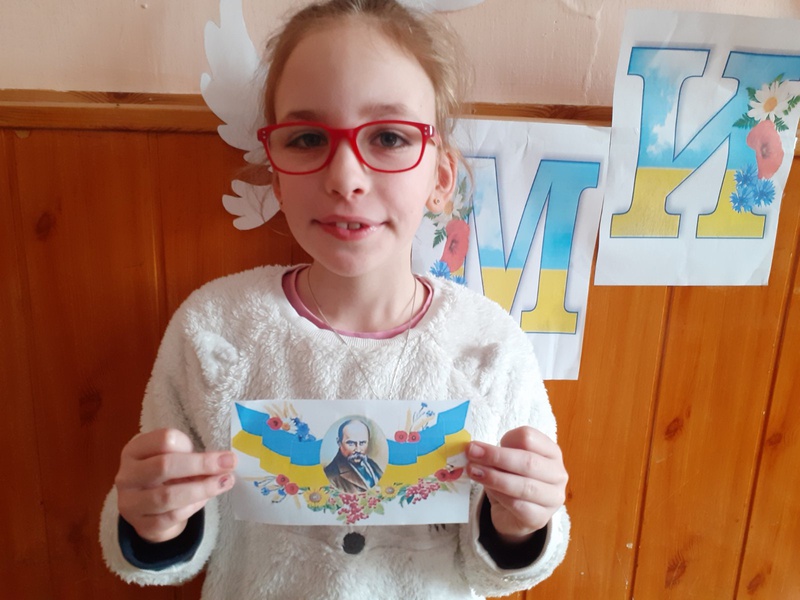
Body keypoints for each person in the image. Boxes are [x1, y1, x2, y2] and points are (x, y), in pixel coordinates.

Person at [100, 1, 570, 598]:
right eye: (306, 138)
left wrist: (522, 523)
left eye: (390, 137)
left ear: (440, 179)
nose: (345, 178)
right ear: (275, 176)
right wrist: (153, 521)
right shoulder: (214, 333)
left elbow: (505, 562)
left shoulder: (489, 347)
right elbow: (175, 539)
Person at [324, 419, 384, 492]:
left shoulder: (372, 464)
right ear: (339, 442)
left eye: (362, 443)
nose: (358, 449)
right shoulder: (331, 476)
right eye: (351, 443)